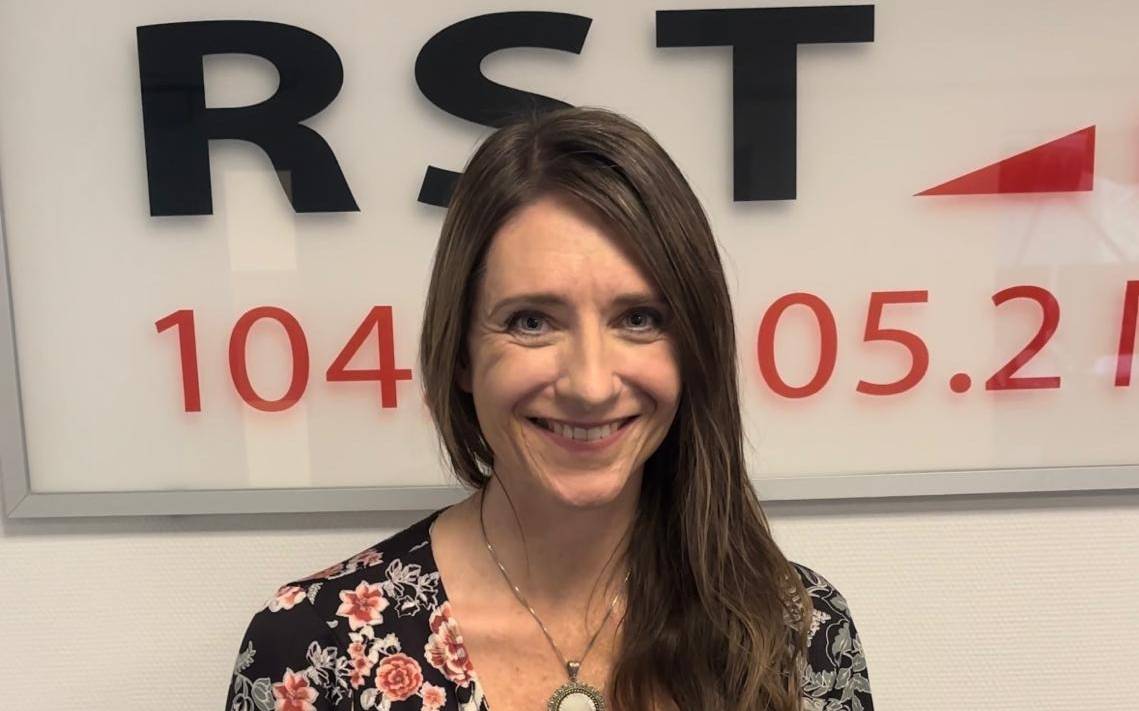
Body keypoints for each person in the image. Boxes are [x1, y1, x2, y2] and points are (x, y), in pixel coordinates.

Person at [224, 107, 873, 711]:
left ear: (693, 349)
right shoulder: (316, 652)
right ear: (460, 353)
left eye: (639, 318)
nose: (590, 385)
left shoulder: (797, 631)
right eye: (531, 321)